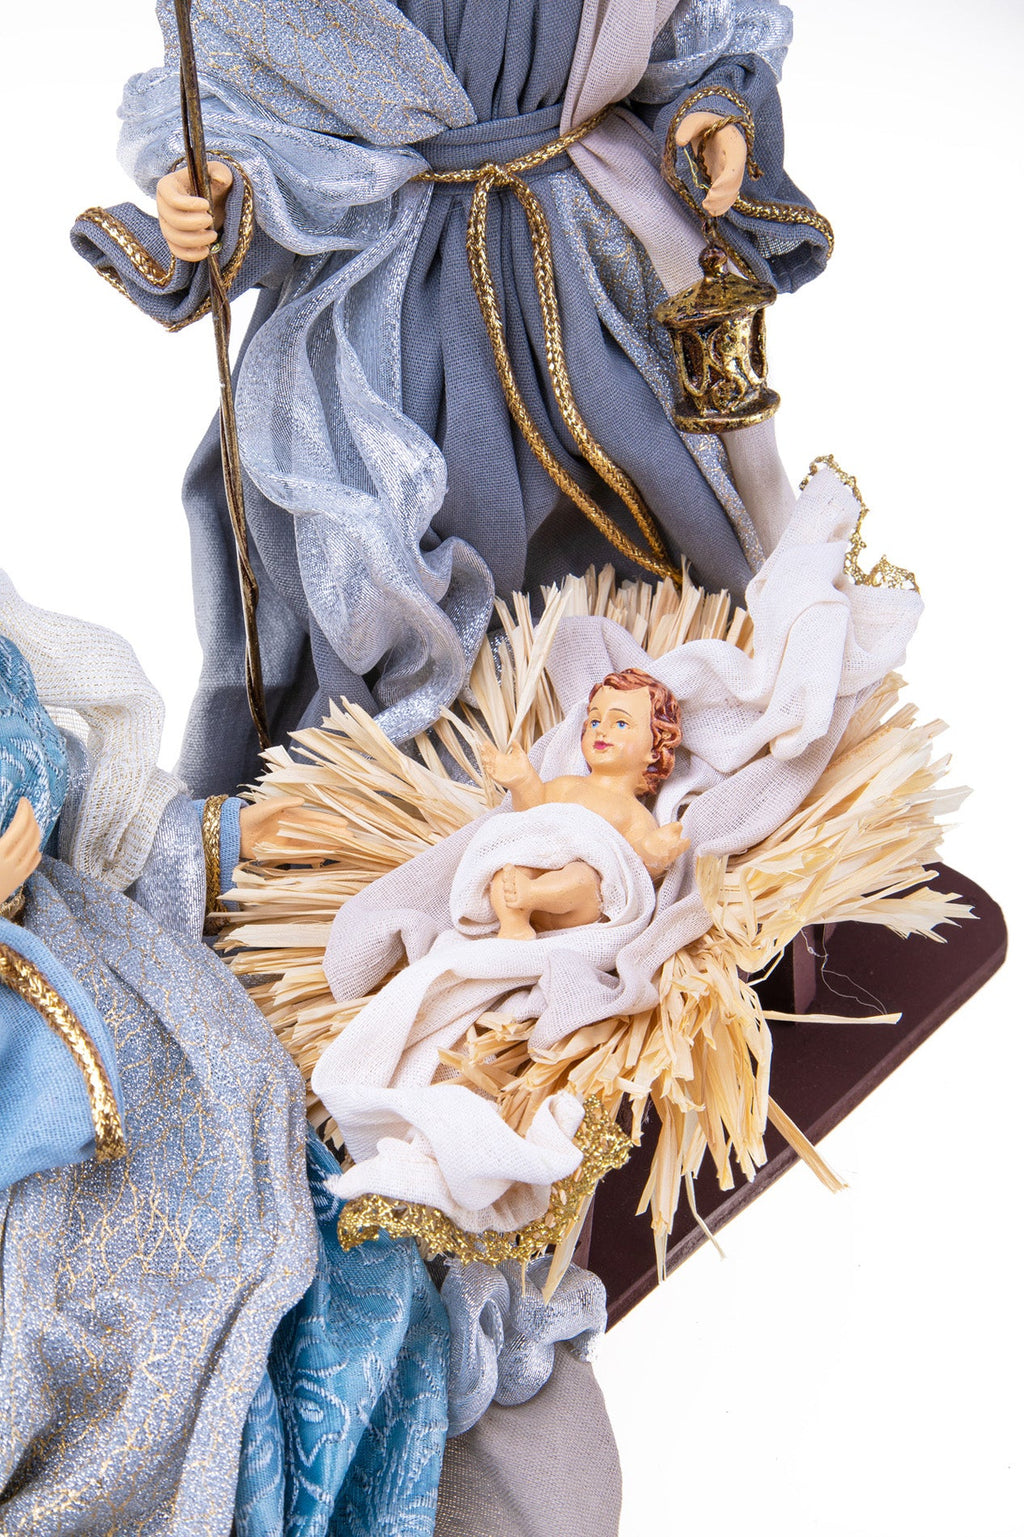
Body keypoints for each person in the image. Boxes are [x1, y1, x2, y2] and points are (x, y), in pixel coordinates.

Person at [71, 0, 832, 796]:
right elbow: (249, 86)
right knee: (412, 526)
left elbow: (686, 30)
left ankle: (647, 743)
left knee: (648, 493)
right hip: (399, 288)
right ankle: (439, 779)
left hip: (587, 254)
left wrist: (714, 107)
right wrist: (222, 179)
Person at [480, 667, 689, 937]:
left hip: (579, 904)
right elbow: (533, 813)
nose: (601, 731)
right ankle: (514, 925)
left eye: (620, 724)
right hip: (538, 869)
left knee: (581, 877)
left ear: (654, 751)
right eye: (595, 721)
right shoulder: (567, 784)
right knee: (508, 868)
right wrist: (522, 781)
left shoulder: (634, 814)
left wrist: (652, 854)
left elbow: (635, 868)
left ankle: (531, 894)